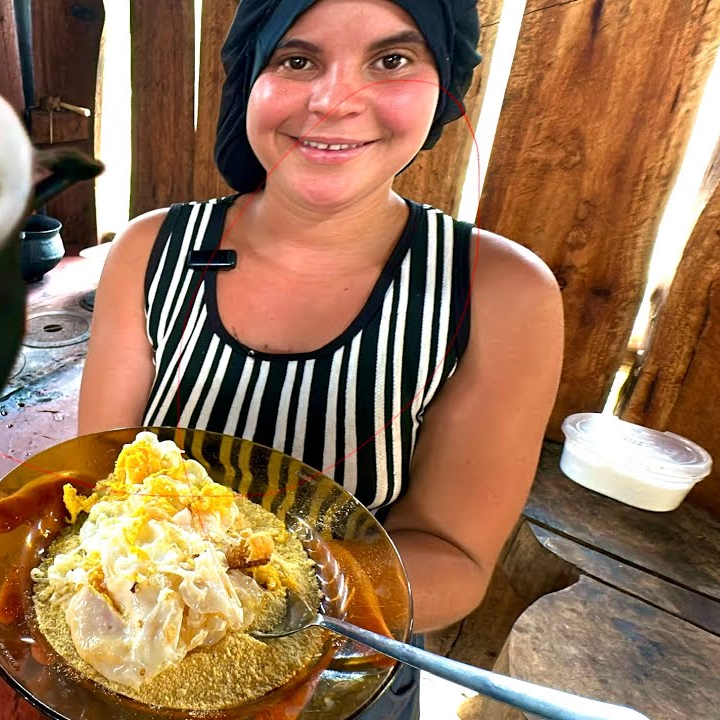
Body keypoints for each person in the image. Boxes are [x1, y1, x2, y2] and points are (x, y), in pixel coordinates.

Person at [77, 0, 564, 716]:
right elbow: (100, 473)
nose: (334, 100)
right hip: (140, 651)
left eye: (393, 60)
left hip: (342, 672)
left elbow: (454, 561)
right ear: (252, 79)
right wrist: (163, 592)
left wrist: (256, 579)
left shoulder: (496, 291)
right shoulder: (152, 253)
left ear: (444, 88)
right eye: (297, 60)